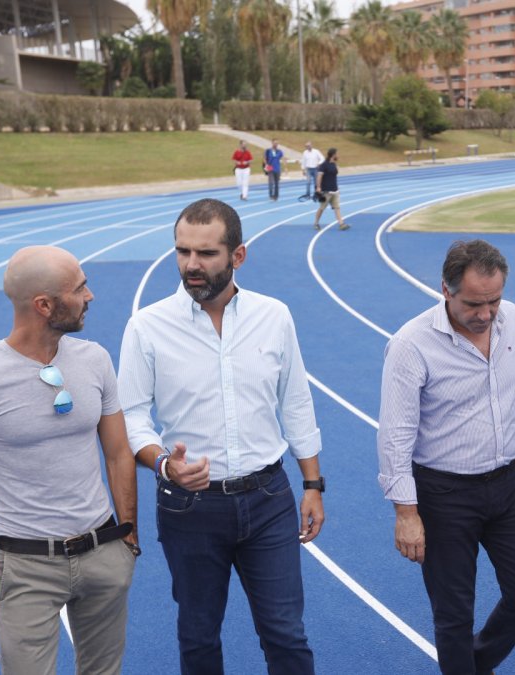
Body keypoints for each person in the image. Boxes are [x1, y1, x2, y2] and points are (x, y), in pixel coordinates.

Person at [118, 197, 324, 674]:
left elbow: (295, 401)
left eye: (207, 253)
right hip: (189, 507)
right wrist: (164, 464)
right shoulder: (146, 328)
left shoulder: (274, 316)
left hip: (269, 496)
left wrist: (312, 484)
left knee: (286, 635)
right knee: (198, 636)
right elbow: (131, 416)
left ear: (238, 256)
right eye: (183, 251)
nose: (192, 264)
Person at [0, 245, 139, 674]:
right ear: (44, 305)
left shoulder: (95, 360)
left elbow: (117, 452)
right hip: (26, 567)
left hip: (102, 554)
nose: (90, 296)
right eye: (80, 288)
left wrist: (127, 539)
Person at [378, 239, 515, 675]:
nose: (487, 314)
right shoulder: (410, 345)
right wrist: (406, 511)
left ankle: (473, 663)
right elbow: (395, 436)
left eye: (494, 301)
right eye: (474, 304)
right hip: (444, 493)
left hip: (509, 482)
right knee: (454, 615)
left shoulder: (514, 320)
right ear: (445, 289)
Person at [312, 147, 350, 231]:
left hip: (335, 190)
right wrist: (318, 187)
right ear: (333, 155)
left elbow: (334, 175)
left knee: (337, 207)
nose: (338, 155)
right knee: (322, 208)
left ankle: (341, 224)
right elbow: (319, 176)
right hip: (327, 191)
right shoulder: (324, 165)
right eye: (337, 154)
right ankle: (316, 223)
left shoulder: (334, 164)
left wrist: (337, 189)